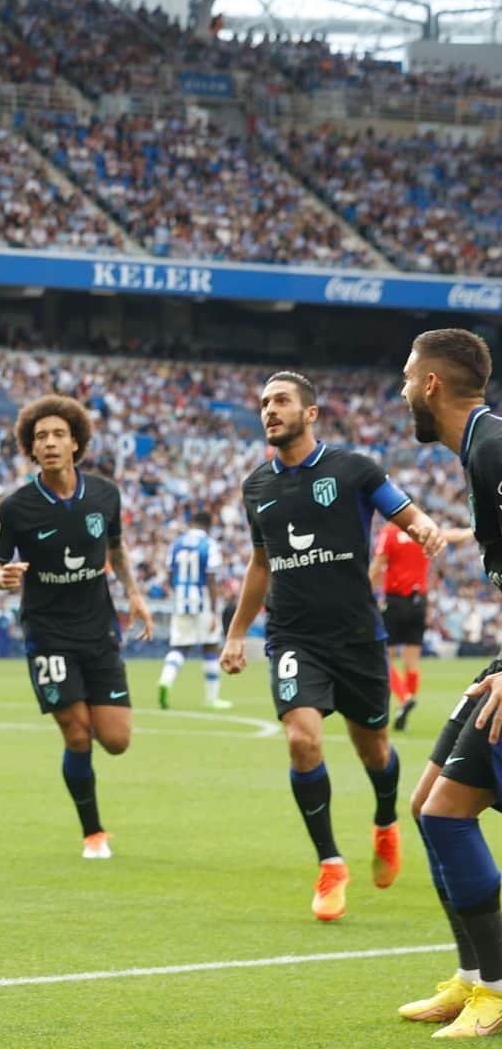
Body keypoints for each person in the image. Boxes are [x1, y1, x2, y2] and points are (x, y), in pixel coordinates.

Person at [219, 371, 443, 921]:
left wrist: (424, 527)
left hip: (357, 637)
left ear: (311, 412)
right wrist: (235, 633)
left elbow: (402, 508)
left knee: (375, 750)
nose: (270, 410)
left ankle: (386, 822)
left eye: (282, 401)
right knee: (302, 738)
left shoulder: (353, 469)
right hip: (293, 636)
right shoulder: (257, 487)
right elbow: (261, 563)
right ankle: (330, 862)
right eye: (265, 402)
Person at [0, 394, 154, 860]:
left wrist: (134, 594)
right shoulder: (15, 508)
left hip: (99, 629)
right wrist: (0, 577)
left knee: (115, 740)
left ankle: (91, 800)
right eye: (41, 437)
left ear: (76, 442)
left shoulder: (105, 494)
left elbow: (115, 549)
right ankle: (93, 833)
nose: (51, 443)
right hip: (48, 634)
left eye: (59, 434)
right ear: (31, 449)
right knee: (77, 734)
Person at [395, 329, 502, 1036]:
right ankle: (472, 980)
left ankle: (495, 988)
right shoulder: (479, 449)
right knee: (426, 804)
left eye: (408, 376)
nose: (402, 388)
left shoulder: (494, 448)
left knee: (446, 814)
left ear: (432, 385)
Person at [156, 510, 232, 711]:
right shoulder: (209, 544)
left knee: (179, 647)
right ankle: (212, 698)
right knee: (210, 645)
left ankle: (166, 679)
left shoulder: (177, 543)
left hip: (181, 600)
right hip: (203, 599)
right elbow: (211, 577)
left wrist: (178, 594)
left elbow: (169, 573)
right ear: (208, 525)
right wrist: (215, 612)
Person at [369, 518, 429, 730]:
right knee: (411, 662)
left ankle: (404, 698)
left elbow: (377, 567)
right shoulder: (424, 530)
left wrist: (363, 594)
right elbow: (451, 536)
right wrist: (468, 531)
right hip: (419, 601)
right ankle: (408, 700)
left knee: (385, 657)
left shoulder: (390, 532)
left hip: (395, 602)